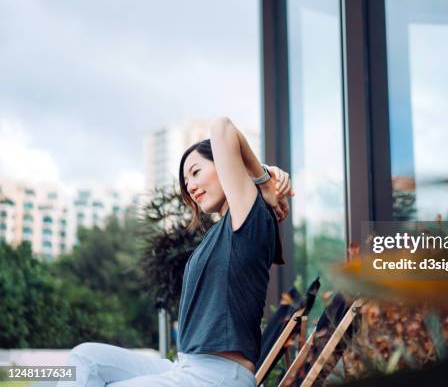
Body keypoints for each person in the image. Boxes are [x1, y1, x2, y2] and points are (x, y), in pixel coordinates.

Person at [58, 117, 293, 386]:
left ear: (226, 167)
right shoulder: (220, 232)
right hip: (187, 366)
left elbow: (222, 127)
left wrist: (262, 179)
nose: (190, 187)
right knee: (86, 358)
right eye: (186, 181)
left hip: (220, 375)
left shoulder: (247, 220)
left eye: (196, 172)